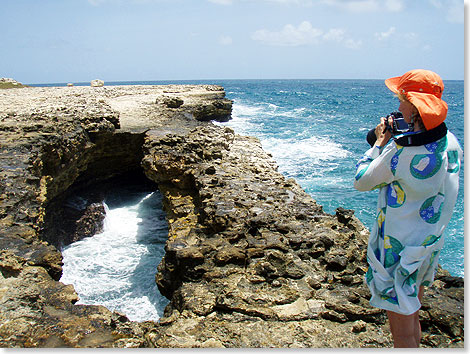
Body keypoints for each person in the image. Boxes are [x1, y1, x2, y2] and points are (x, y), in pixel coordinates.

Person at [353, 69, 462, 348]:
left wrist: (380, 142)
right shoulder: (450, 143)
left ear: (414, 106)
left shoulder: (402, 152)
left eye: (402, 99)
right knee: (412, 317)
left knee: (402, 334)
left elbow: (362, 181)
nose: (398, 107)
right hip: (427, 244)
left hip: (397, 249)